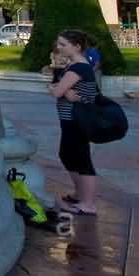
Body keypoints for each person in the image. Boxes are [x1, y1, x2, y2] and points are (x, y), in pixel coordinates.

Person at [48, 29, 100, 216]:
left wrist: (55, 88)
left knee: (81, 159)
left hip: (76, 120)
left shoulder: (78, 68)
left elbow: (56, 92)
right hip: (70, 119)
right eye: (58, 44)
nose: (59, 47)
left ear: (77, 47)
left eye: (63, 44)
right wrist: (58, 88)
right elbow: (59, 89)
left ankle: (88, 203)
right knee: (68, 155)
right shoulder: (74, 66)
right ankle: (80, 194)